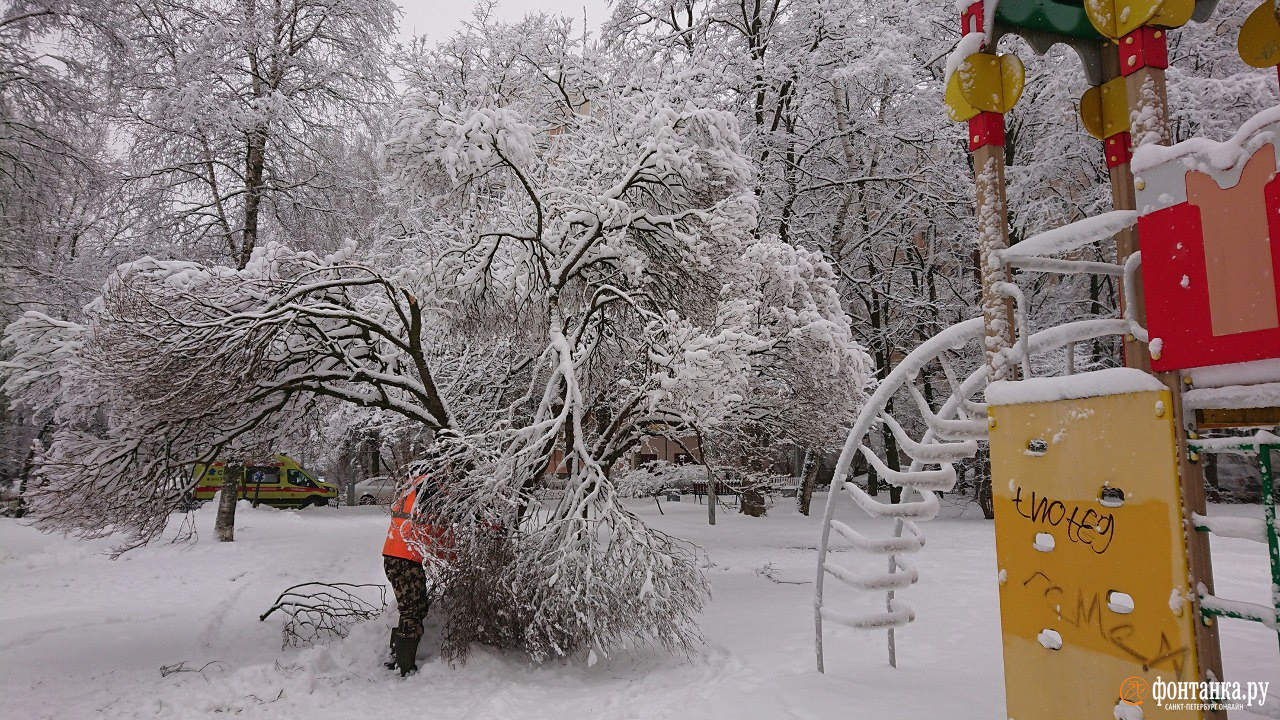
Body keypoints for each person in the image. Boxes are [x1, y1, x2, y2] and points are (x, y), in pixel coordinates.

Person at [382, 477, 438, 676]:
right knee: (414, 609)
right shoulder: (431, 487)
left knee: (411, 607)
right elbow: (440, 524)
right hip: (406, 558)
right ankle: (404, 666)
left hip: (393, 554)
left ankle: (395, 657)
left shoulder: (413, 485)